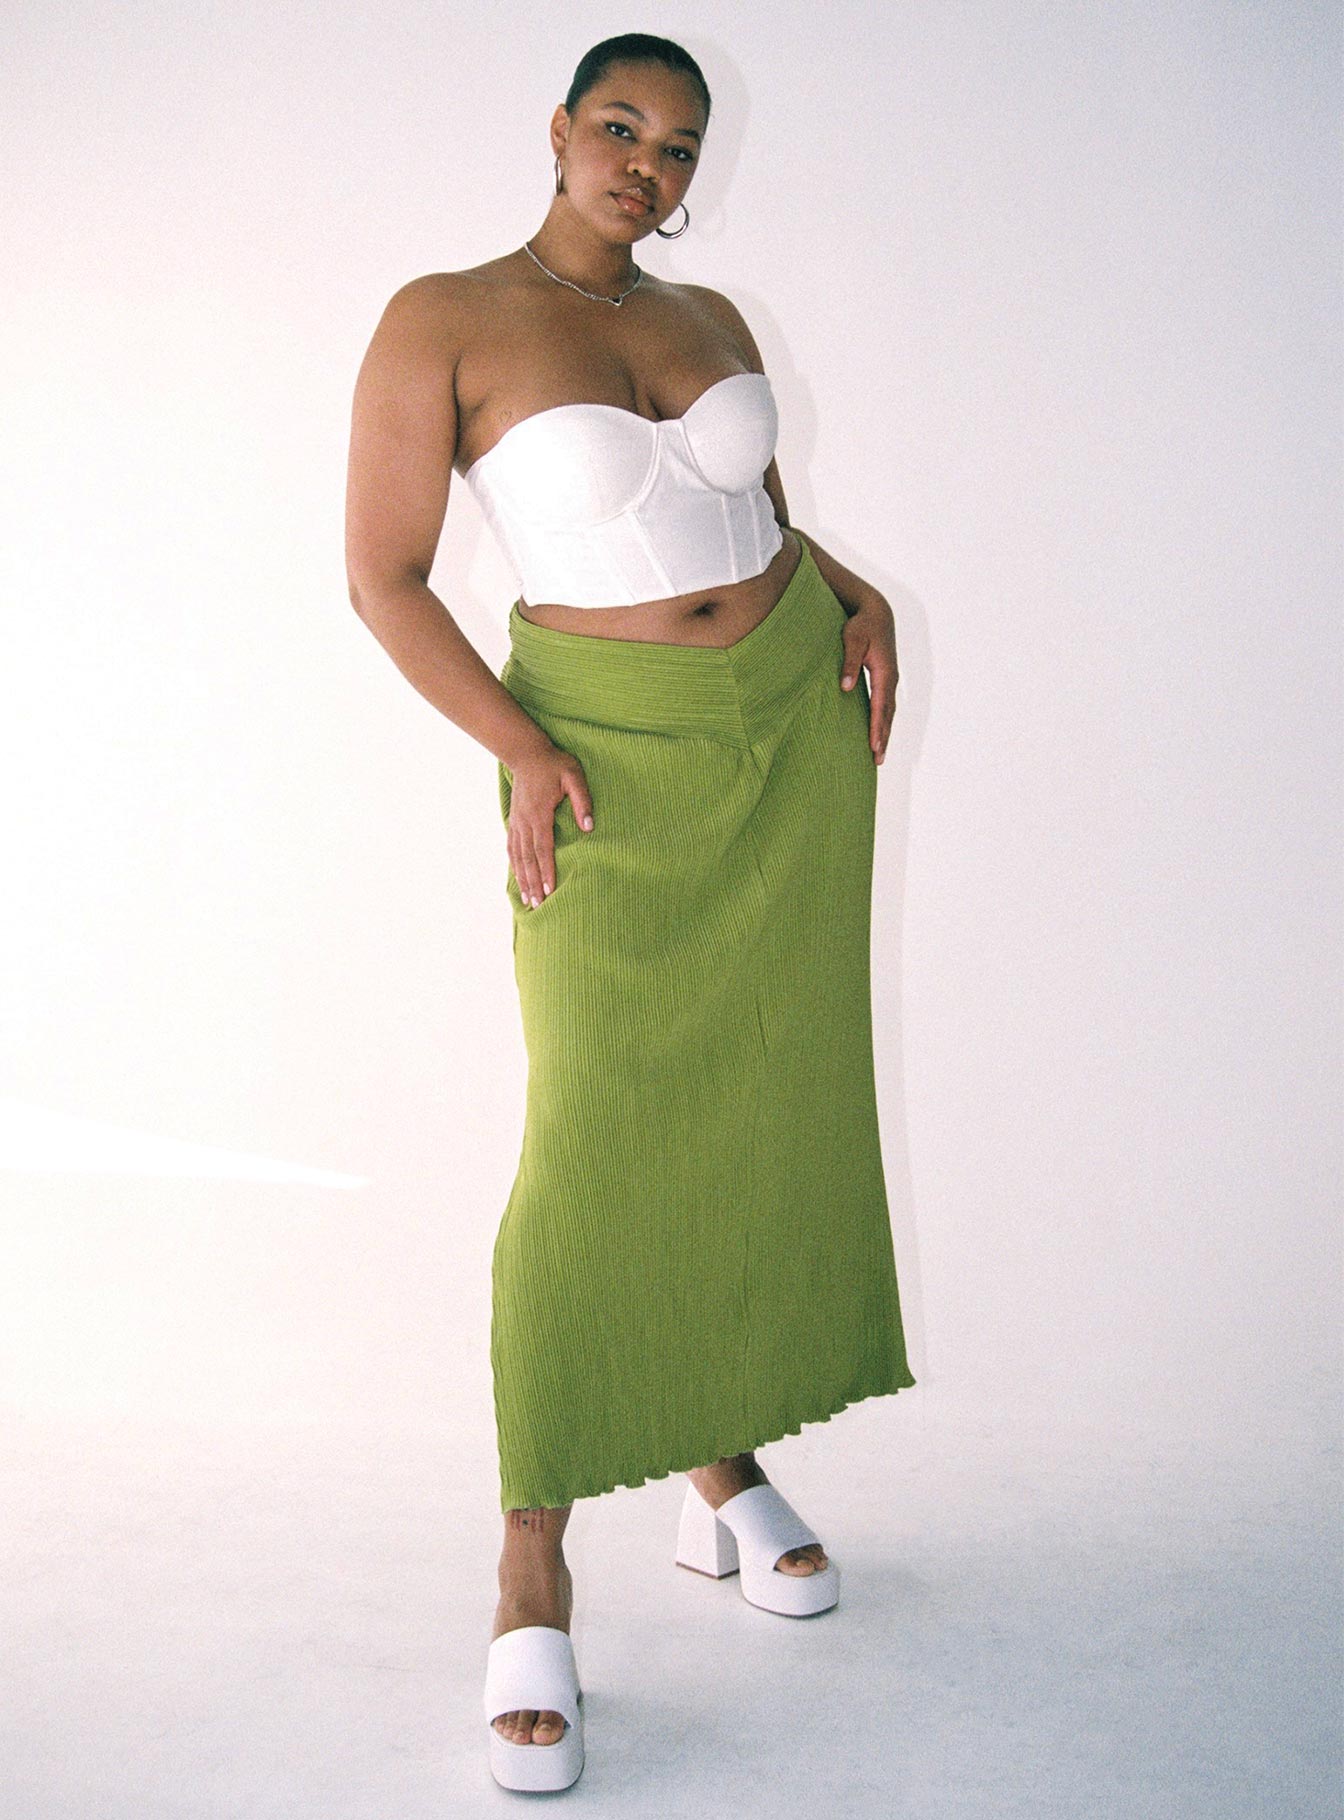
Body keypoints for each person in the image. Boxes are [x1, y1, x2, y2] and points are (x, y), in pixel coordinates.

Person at [344, 32, 916, 1793]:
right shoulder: (444, 317)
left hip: (788, 734)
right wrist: (520, 747)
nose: (646, 167)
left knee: (759, 1100)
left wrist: (860, 593)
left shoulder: (710, 317)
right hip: (603, 756)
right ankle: (533, 1553)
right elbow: (383, 576)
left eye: (677, 147)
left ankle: (717, 1458)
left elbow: (761, 516)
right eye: (620, 127)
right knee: (595, 1135)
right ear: (559, 129)